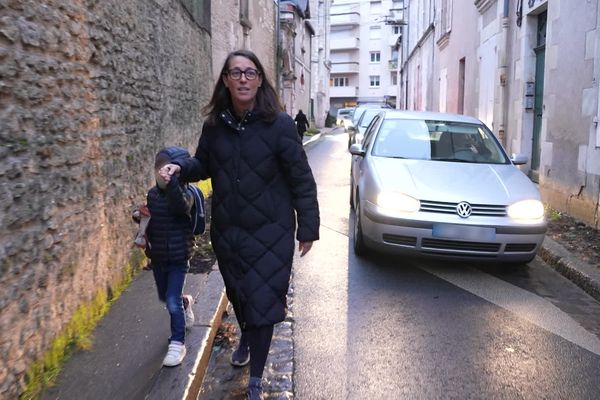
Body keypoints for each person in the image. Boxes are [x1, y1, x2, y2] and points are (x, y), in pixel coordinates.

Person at [159, 49, 320, 399]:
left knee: (263, 301)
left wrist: (308, 226)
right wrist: (180, 169)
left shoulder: (279, 125)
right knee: (240, 295)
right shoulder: (215, 125)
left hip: (271, 231)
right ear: (226, 81)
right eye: (236, 73)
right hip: (229, 232)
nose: (243, 78)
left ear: (260, 79)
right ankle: (245, 333)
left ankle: (257, 380)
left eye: (250, 72)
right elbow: (203, 164)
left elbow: (301, 179)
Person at [135, 147, 197, 367]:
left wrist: (172, 183)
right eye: (158, 170)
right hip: (159, 256)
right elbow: (152, 219)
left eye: (166, 170)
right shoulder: (152, 194)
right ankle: (186, 302)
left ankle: (177, 344)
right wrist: (139, 216)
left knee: (171, 301)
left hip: (179, 256)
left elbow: (180, 207)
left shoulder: (187, 194)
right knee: (167, 297)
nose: (161, 175)